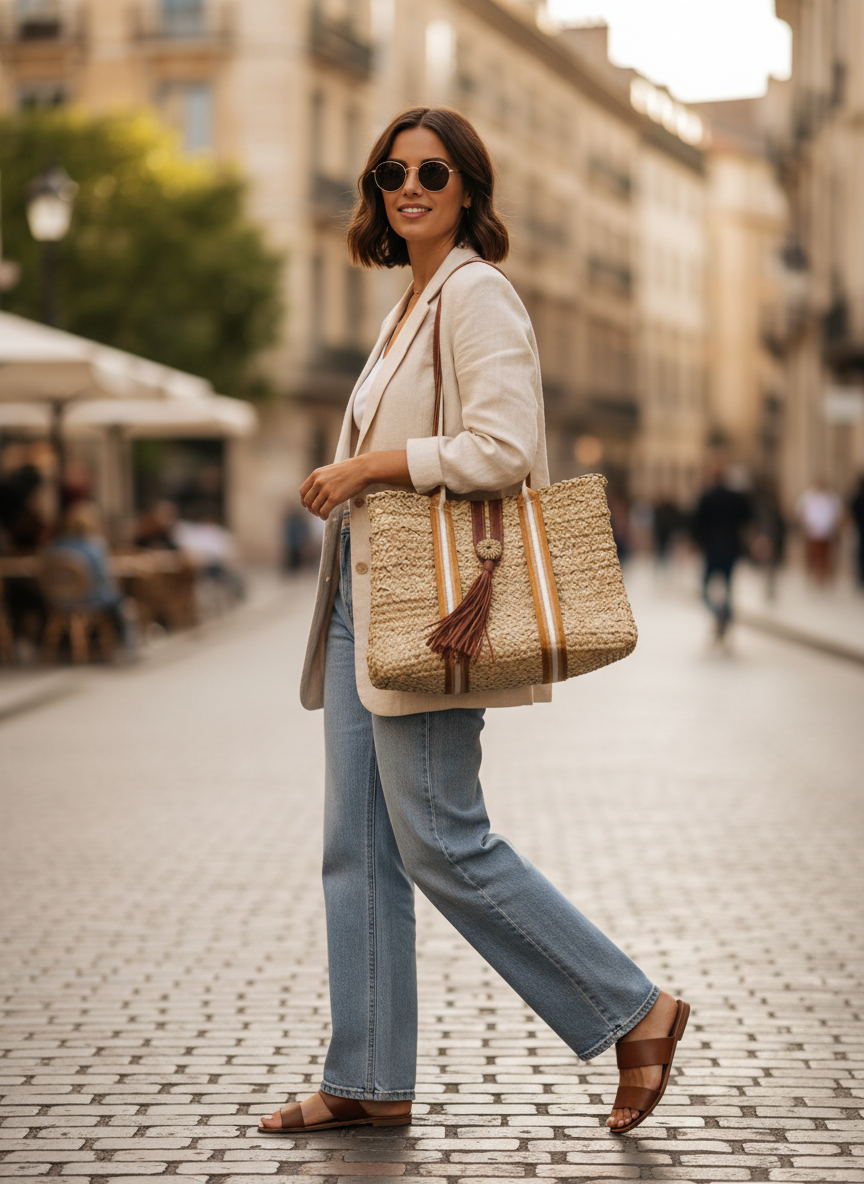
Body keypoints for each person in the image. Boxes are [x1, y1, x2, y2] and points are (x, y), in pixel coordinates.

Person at [259, 106, 690, 1139]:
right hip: (370, 602)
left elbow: (502, 446)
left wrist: (370, 464)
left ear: (468, 189)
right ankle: (367, 1074)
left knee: (443, 837)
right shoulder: (410, 302)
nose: (411, 185)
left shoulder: (478, 293)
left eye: (433, 171)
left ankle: (635, 1009)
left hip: (438, 607)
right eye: (393, 171)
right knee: (356, 845)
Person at [46, 501, 135, 653]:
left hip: (59, 600)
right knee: (121, 600)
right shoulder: (95, 546)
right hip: (91, 599)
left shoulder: (55, 545)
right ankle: (127, 643)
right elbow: (102, 577)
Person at [692, 463, 752, 641]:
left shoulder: (706, 496)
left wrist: (697, 543)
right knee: (728, 585)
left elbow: (697, 524)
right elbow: (746, 519)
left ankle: (718, 613)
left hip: (711, 549)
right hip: (731, 548)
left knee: (705, 587)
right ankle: (725, 613)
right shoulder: (736, 497)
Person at [796, 479, 842, 584]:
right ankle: (814, 576)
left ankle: (824, 576)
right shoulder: (808, 496)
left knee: (825, 555)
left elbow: (838, 512)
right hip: (812, 531)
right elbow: (800, 511)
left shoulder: (831, 497)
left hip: (827, 531)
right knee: (813, 555)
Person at [851, 475, 864, 588]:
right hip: (859, 529)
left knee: (860, 554)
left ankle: (860, 577)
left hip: (859, 529)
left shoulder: (857, 498)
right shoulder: (856, 498)